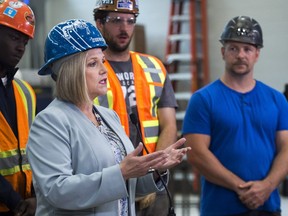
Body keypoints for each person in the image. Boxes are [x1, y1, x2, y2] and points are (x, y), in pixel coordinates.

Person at [26, 19, 190, 216]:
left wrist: (156, 170)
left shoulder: (107, 116)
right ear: (70, 71)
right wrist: (121, 172)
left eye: (102, 61)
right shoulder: (50, 122)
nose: (104, 70)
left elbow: (127, 187)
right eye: (93, 64)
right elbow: (56, 190)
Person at [182, 15, 288, 216]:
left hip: (268, 206)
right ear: (223, 52)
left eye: (247, 49)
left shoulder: (277, 99)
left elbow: (287, 149)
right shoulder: (203, 100)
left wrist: (267, 186)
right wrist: (241, 188)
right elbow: (196, 153)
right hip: (220, 209)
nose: (241, 55)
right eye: (233, 48)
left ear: (257, 54)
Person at [93, 1, 178, 215]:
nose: (124, 28)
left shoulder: (154, 67)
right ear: (99, 24)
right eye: (116, 20)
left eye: (130, 21)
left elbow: (169, 126)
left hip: (155, 183)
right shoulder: (89, 70)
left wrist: (152, 173)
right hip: (109, 182)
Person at [0, 1, 36, 215]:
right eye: (14, 38)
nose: (21, 47)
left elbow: (34, 152)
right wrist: (17, 203)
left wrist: (35, 197)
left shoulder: (25, 92)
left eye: (25, 41)